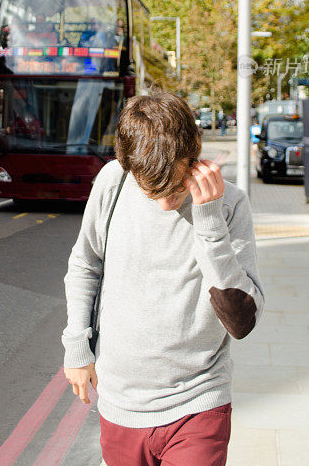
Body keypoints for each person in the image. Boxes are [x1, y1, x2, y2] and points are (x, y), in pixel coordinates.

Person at [62, 91, 264, 466]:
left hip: (199, 401)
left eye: (173, 187)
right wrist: (77, 345)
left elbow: (241, 321)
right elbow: (86, 263)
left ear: (195, 155)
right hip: (121, 403)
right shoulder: (113, 182)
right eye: (150, 189)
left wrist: (209, 223)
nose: (165, 204)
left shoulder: (230, 204)